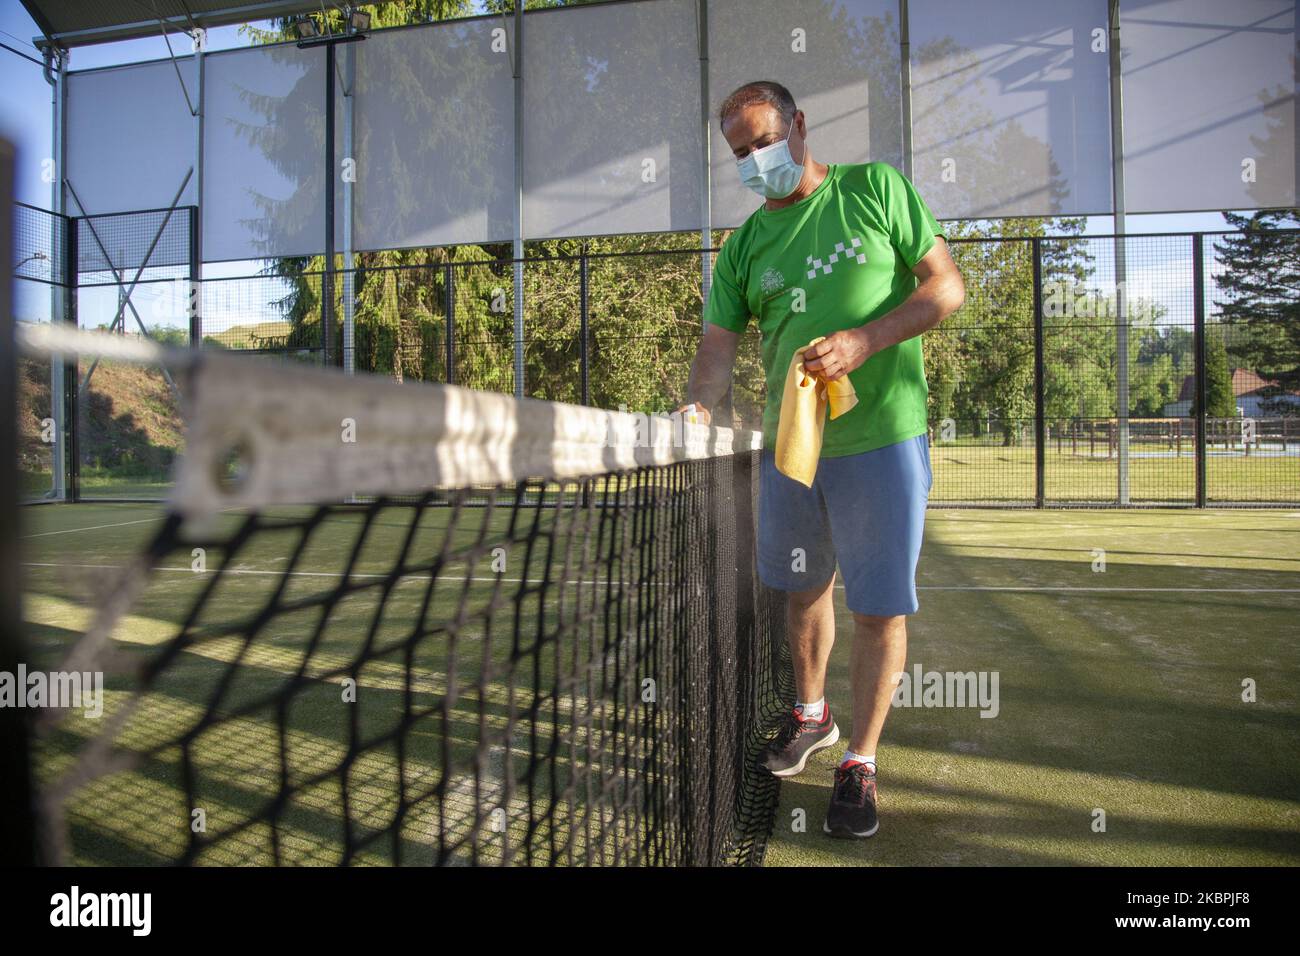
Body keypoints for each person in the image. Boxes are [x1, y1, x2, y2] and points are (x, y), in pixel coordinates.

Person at [680, 80, 965, 839]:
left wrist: (867, 339)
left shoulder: (877, 190)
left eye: (764, 142)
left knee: (877, 608)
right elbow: (716, 350)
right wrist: (700, 404)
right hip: (793, 451)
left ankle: (860, 763)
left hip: (884, 442)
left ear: (800, 126)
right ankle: (813, 716)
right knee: (802, 591)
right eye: (740, 153)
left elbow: (948, 287)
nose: (754, 161)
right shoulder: (742, 247)